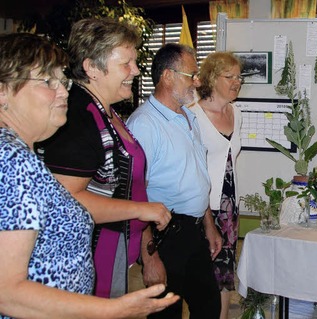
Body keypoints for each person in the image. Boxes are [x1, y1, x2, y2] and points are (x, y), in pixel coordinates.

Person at [0, 32, 179, 319]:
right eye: (48, 82)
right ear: (3, 91)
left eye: (63, 81)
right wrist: (112, 309)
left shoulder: (17, 154)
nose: (63, 92)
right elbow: (6, 291)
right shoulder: (11, 160)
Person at [37, 18, 172, 299]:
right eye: (126, 63)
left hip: (116, 253)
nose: (136, 70)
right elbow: (67, 201)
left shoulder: (106, 112)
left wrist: (148, 249)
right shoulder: (78, 116)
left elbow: (130, 188)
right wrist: (140, 210)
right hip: (86, 259)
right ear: (92, 68)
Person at [127, 43, 223, 319]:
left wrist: (209, 225)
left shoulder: (189, 117)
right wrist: (149, 256)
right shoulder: (144, 124)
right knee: (165, 314)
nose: (197, 82)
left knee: (209, 306)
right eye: (191, 75)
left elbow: (197, 177)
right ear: (167, 76)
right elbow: (135, 194)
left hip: (193, 232)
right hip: (164, 234)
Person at [192, 52, 243, 319]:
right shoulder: (192, 116)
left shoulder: (238, 113)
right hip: (203, 208)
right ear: (212, 77)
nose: (236, 82)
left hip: (229, 206)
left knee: (225, 272)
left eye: (239, 77)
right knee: (203, 275)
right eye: (229, 76)